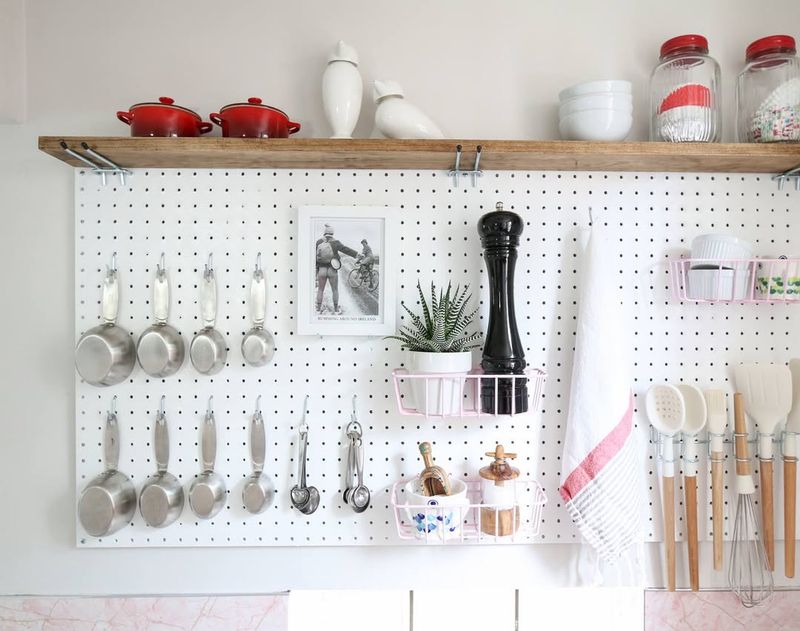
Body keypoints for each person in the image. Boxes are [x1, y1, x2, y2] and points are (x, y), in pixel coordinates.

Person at [315, 224, 357, 314]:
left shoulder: (318, 242)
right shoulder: (335, 242)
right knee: (335, 289)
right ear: (332, 233)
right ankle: (336, 308)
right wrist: (357, 254)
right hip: (332, 270)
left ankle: (318, 308)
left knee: (320, 289)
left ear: (324, 233)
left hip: (321, 269)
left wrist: (316, 268)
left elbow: (315, 256)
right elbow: (346, 249)